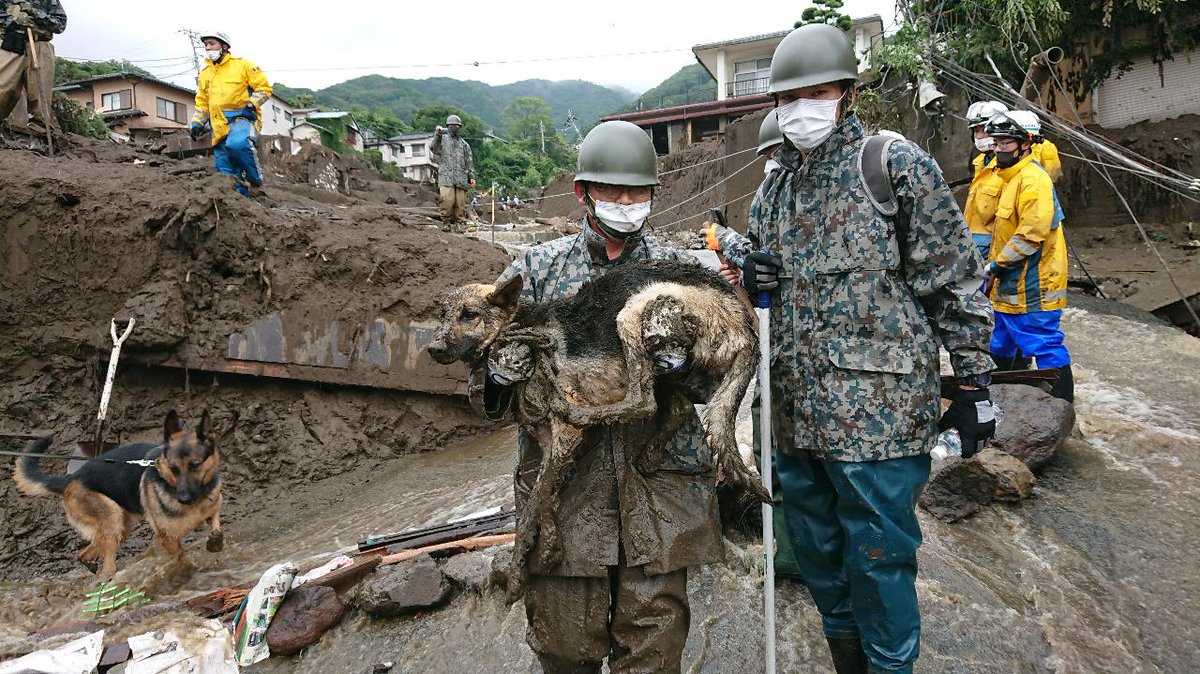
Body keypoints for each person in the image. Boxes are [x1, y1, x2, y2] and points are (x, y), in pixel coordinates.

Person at [717, 23, 996, 674]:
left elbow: (953, 281)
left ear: (846, 91)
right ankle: (847, 660)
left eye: (817, 92)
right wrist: (757, 280)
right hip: (796, 416)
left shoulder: (891, 165)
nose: (801, 108)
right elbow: (764, 297)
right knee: (818, 558)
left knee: (879, 559)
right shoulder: (773, 191)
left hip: (879, 420)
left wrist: (975, 386)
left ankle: (890, 666)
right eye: (789, 97)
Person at [469, 120, 723, 674]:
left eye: (638, 192)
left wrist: (684, 367)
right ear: (584, 193)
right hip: (564, 489)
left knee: (655, 647)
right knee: (564, 647)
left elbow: (714, 381)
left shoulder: (678, 275)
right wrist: (498, 376)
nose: (626, 203)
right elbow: (479, 388)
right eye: (611, 191)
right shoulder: (535, 273)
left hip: (657, 483)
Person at [983, 113, 1074, 401]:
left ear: (1025, 144)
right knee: (1000, 341)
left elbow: (1030, 235)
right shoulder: (1012, 178)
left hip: (1033, 283)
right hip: (1010, 283)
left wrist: (995, 266)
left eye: (1006, 142)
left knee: (1044, 343)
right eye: (996, 142)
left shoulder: (1033, 181)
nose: (998, 148)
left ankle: (1062, 407)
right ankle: (1000, 397)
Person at [190, 31, 272, 197]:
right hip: (218, 126)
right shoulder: (205, 74)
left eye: (211, 43)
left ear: (224, 46)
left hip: (242, 118)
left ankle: (255, 180)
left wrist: (252, 104)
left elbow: (264, 88)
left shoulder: (243, 66)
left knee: (237, 144)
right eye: (206, 45)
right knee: (226, 173)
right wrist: (197, 122)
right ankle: (241, 201)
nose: (207, 48)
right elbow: (202, 103)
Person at [0, 0, 66, 135]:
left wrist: (34, 12)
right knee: (3, 88)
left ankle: (40, 132)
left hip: (40, 44)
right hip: (10, 43)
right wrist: (14, 20)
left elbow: (60, 24)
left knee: (40, 92)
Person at [964, 100, 1009, 261]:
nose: (979, 136)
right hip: (973, 239)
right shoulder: (980, 162)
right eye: (975, 131)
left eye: (982, 130)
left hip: (994, 244)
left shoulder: (1008, 167)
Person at [430, 113, 476, 231]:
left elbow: (469, 161)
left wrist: (472, 176)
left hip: (460, 178)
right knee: (446, 200)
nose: (454, 128)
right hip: (446, 177)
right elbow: (433, 148)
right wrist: (437, 134)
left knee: (460, 203)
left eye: (456, 126)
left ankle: (459, 224)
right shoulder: (442, 140)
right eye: (451, 125)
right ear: (447, 126)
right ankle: (446, 223)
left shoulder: (464, 145)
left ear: (459, 127)